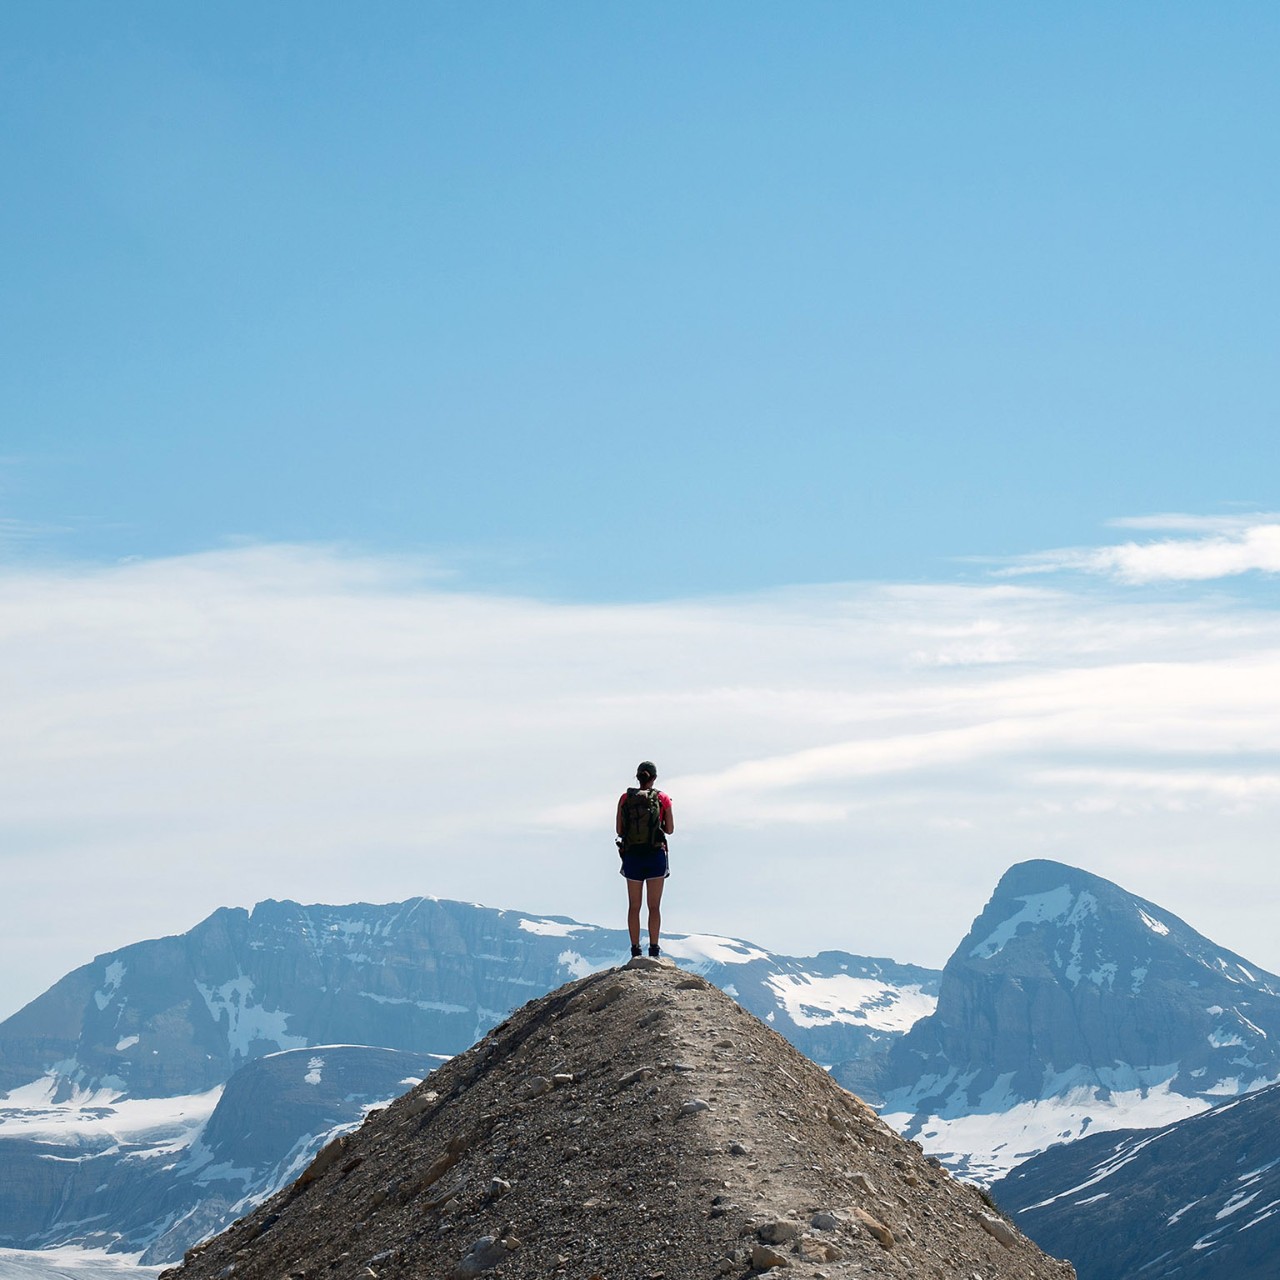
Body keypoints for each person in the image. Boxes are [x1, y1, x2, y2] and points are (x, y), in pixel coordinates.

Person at [615, 760, 675, 958]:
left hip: (632, 856)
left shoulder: (625, 798)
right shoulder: (663, 798)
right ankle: (654, 949)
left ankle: (635, 950)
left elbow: (619, 830)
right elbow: (670, 829)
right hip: (655, 856)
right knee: (654, 906)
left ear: (637, 776)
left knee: (634, 905)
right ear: (655, 778)